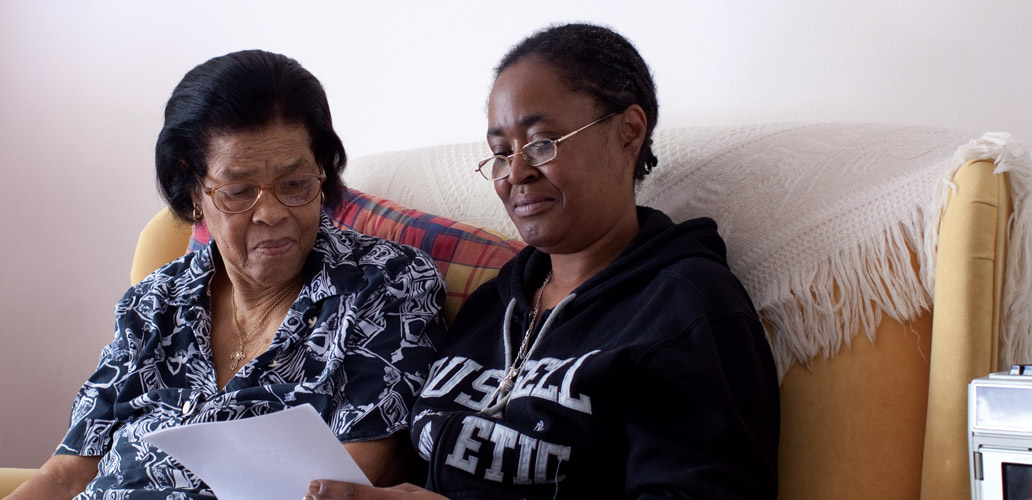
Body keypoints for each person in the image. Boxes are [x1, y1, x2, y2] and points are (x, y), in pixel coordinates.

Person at [306, 24, 780, 499]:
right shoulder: (492, 305)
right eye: (500, 152)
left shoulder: (684, 308)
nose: (516, 172)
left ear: (629, 132)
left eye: (541, 143)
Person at [5, 50, 445, 500]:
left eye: (295, 184)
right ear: (194, 191)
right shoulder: (153, 304)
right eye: (239, 191)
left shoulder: (387, 284)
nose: (272, 213)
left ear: (322, 174)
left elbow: (359, 477)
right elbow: (65, 475)